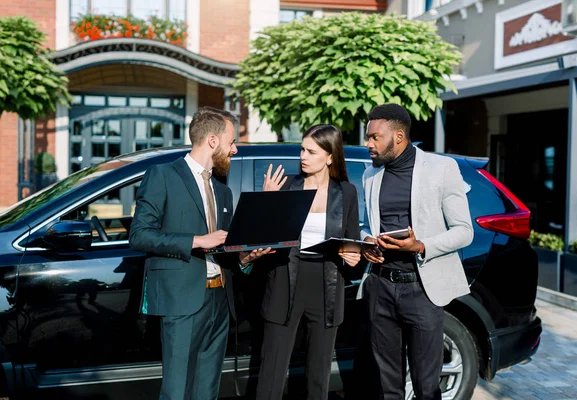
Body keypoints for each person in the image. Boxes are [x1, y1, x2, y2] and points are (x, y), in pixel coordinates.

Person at [129, 106, 269, 400]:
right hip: (182, 301)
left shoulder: (222, 190)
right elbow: (140, 235)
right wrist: (197, 240)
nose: (235, 150)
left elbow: (225, 247)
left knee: (207, 390)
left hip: (220, 300)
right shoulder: (162, 175)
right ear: (213, 142)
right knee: (177, 390)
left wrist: (245, 259)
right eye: (232, 142)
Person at [359, 104, 474, 400]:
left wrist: (421, 245)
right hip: (380, 285)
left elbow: (464, 231)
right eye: (367, 137)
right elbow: (363, 223)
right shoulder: (370, 175)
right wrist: (366, 241)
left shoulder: (441, 168)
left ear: (398, 136)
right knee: (387, 386)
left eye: (374, 137)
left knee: (426, 386)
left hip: (422, 288)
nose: (368, 143)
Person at [255, 124, 362, 400]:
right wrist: (267, 202)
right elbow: (262, 239)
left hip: (327, 284)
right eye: (302, 149)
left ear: (329, 157)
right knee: (272, 371)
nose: (302, 156)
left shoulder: (347, 193)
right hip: (283, 278)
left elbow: (352, 243)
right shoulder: (287, 186)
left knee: (318, 375)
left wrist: (353, 256)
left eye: (311, 151)